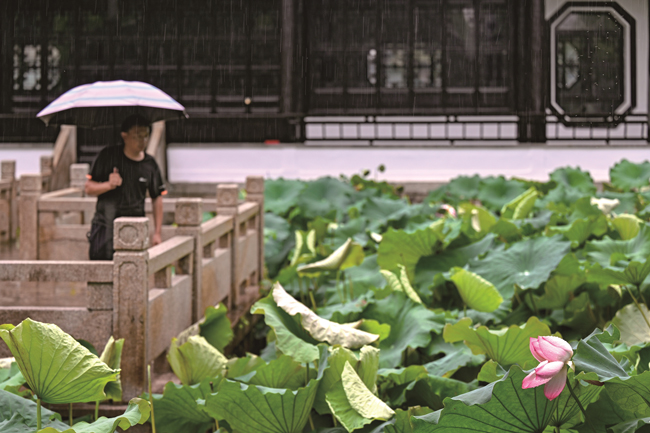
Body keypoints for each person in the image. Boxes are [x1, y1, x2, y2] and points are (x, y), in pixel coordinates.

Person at [85, 114, 166, 260]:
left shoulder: (150, 164)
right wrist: (108, 185)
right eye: (137, 136)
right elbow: (88, 188)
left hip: (134, 227)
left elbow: (157, 197)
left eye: (146, 136)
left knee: (132, 272)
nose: (143, 141)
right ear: (124, 135)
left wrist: (157, 232)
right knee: (102, 271)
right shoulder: (108, 156)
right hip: (105, 225)